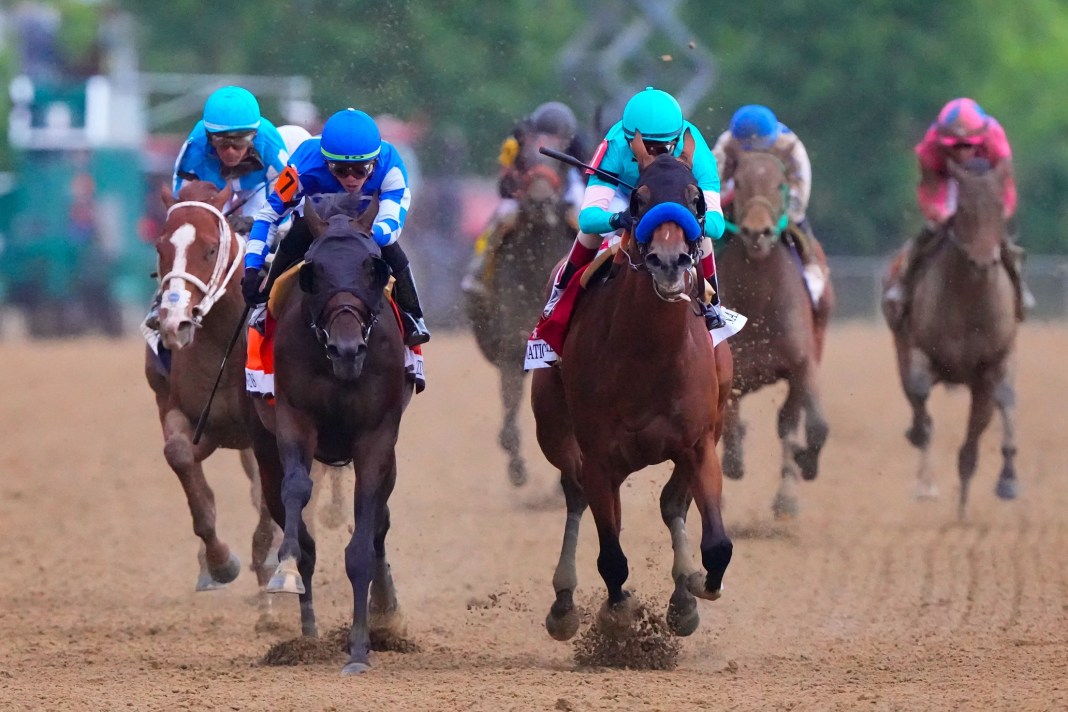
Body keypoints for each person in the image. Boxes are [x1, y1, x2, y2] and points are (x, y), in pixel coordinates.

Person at [540, 87, 727, 329]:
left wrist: (690, 221)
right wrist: (618, 219)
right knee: (591, 233)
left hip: (676, 200)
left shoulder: (697, 151)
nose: (651, 155)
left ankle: (713, 306)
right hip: (626, 196)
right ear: (629, 141)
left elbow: (716, 224)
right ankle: (559, 296)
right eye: (644, 147)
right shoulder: (615, 144)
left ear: (676, 140)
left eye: (660, 148)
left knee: (704, 239)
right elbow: (588, 217)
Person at [243, 107, 430, 346]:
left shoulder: (391, 165)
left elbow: (391, 224)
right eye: (340, 170)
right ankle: (263, 307)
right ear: (325, 162)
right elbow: (269, 216)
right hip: (316, 225)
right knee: (292, 240)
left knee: (393, 250)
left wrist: (372, 234)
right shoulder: (302, 165)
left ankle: (413, 316)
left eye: (360, 171)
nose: (351, 179)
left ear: (374, 162)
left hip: (367, 227)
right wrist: (251, 269)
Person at [143, 85, 290, 330]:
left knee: (264, 239)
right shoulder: (196, 147)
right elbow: (183, 209)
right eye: (222, 143)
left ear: (254, 135)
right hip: (212, 187)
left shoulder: (270, 143)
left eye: (239, 142)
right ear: (210, 138)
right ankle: (164, 300)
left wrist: (256, 224)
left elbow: (287, 200)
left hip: (257, 188)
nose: (231, 151)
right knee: (193, 242)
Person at [884, 97, 1027, 323]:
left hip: (985, 180)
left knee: (997, 237)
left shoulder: (996, 139)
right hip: (947, 180)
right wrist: (938, 213)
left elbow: (1006, 186)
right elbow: (929, 187)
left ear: (980, 141)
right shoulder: (930, 147)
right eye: (954, 146)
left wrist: (1000, 214)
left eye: (967, 146)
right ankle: (904, 285)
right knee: (931, 231)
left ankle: (1019, 291)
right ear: (943, 142)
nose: (961, 152)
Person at [460, 101, 589, 297]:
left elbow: (585, 175)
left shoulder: (577, 143)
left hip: (565, 193)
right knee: (501, 219)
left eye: (555, 137)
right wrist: (514, 186)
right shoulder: (518, 140)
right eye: (544, 136)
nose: (548, 141)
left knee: (583, 225)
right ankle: (479, 273)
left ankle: (592, 272)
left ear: (566, 138)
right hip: (525, 192)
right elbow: (505, 179)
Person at [712, 104, 825, 304]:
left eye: (760, 144)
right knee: (708, 231)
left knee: (800, 226)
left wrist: (784, 214)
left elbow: (801, 191)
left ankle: (812, 276)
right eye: (748, 145)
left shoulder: (790, 146)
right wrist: (723, 205)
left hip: (778, 202)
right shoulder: (726, 145)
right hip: (738, 200)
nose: (754, 150)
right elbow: (712, 185)